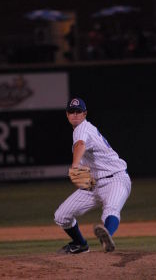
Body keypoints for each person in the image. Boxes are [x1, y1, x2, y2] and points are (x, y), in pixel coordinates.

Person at [54, 97, 131, 254]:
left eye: (78, 111)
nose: (75, 115)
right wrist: (83, 175)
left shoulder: (83, 129)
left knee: (111, 210)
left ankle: (106, 236)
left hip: (116, 179)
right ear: (67, 115)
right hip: (94, 184)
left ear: (85, 114)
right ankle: (80, 244)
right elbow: (84, 153)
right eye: (72, 112)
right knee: (61, 215)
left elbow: (80, 145)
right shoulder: (81, 131)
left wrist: (75, 165)